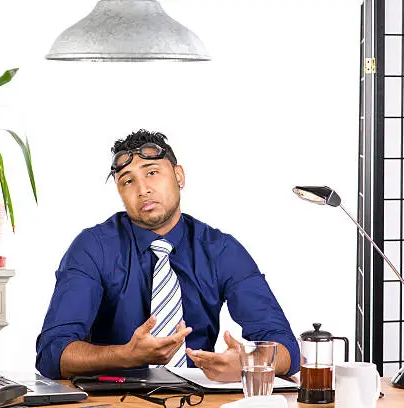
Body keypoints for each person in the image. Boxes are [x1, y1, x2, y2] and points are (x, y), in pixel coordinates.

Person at [35, 129, 300, 381]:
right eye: (128, 181)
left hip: (198, 400)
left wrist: (248, 363)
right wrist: (126, 355)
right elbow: (51, 353)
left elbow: (286, 347)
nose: (142, 189)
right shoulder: (92, 248)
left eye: (152, 173)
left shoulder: (221, 250)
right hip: (114, 399)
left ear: (179, 177)